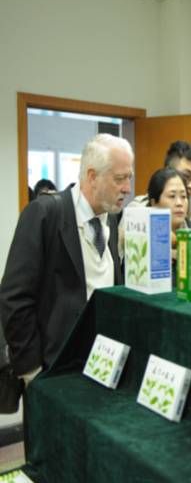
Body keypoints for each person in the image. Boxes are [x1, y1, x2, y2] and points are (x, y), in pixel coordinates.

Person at [0, 134, 133, 381]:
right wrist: (31, 371)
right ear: (92, 176)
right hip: (54, 370)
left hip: (101, 367)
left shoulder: (112, 220)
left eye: (129, 178)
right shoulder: (44, 214)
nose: (127, 188)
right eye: (119, 179)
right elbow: (14, 297)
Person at [147, 168, 191, 268]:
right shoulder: (143, 240)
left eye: (183, 196)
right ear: (154, 203)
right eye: (172, 196)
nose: (179, 203)